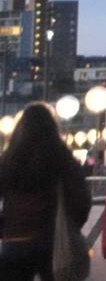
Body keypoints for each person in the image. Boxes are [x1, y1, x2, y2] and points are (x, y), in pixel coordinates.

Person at [0, 102, 92, 281]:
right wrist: (71, 224)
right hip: (51, 239)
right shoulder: (62, 157)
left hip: (14, 239)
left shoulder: (9, 160)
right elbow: (81, 197)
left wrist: (4, 225)